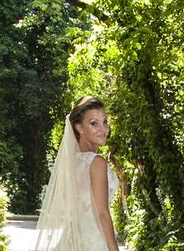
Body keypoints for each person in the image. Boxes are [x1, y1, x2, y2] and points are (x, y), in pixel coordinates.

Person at [33, 96, 120, 251]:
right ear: (79, 127)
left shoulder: (70, 163)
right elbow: (102, 214)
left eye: (105, 122)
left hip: (71, 241)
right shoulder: (96, 162)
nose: (103, 129)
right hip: (95, 243)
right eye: (94, 123)